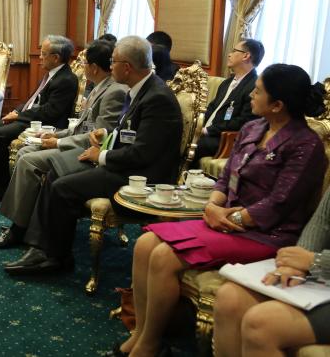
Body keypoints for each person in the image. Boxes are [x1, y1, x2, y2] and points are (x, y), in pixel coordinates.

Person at [116, 64, 327, 357]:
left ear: (277, 105)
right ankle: (140, 332)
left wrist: (230, 218)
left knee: (164, 255)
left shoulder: (306, 144)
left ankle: (149, 344)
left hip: (266, 234)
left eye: (258, 91)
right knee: (145, 244)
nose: (251, 95)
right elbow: (227, 176)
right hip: (226, 222)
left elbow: (279, 203)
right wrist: (213, 206)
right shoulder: (253, 128)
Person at [1, 36, 183, 275]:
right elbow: (130, 134)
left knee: (62, 187)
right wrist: (105, 134)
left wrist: (102, 156)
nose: (110, 66)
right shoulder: (141, 88)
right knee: (55, 171)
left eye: (113, 61)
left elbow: (142, 153)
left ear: (127, 67)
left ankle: (55, 257)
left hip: (141, 177)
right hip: (126, 164)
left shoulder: (157, 98)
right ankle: (43, 248)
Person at [0, 39, 127, 247]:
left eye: (84, 63)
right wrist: (57, 135)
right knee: (24, 151)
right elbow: (81, 126)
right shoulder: (98, 87)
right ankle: (24, 222)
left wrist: (59, 143)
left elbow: (99, 137)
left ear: (94, 67)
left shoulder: (114, 91)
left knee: (28, 161)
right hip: (77, 142)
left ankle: (18, 230)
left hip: (88, 153)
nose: (82, 67)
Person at [213, 187, 330, 357]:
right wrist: (295, 262)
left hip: (320, 266)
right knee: (230, 298)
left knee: (261, 323)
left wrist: (315, 261)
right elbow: (321, 220)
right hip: (321, 275)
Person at [0, 35, 79, 202]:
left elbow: (51, 112)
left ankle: (0, 188)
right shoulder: (51, 74)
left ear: (55, 57)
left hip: (44, 123)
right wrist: (16, 111)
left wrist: (19, 115)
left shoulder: (66, 79)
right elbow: (32, 100)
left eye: (43, 53)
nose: (40, 57)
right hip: (30, 117)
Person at [192, 38, 264, 162]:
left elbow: (243, 122)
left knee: (191, 145)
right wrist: (197, 125)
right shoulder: (227, 83)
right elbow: (212, 107)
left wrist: (207, 130)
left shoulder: (254, 86)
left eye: (234, 51)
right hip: (208, 132)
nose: (229, 54)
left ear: (246, 56)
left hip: (224, 138)